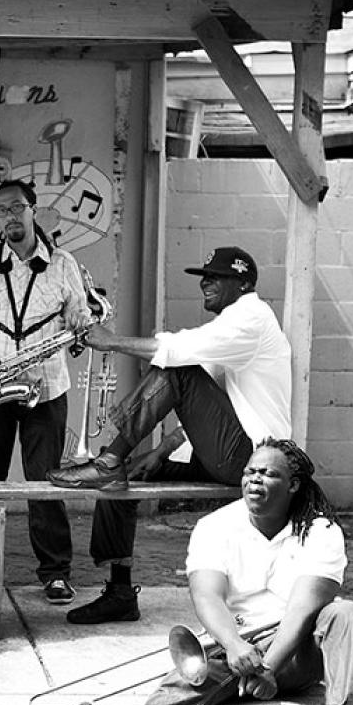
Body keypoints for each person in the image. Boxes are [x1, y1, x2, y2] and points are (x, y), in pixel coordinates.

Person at [74, 439, 353, 705]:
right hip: (238, 648)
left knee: (347, 612)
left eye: (268, 474)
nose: (254, 480)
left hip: (299, 651)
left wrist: (270, 665)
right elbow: (207, 595)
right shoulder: (215, 525)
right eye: (249, 472)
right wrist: (233, 644)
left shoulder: (321, 530)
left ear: (293, 484)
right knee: (197, 668)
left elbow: (304, 609)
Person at [48, 246, 291, 624]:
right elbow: (207, 405)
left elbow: (176, 356)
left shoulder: (251, 318)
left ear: (242, 283)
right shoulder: (232, 326)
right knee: (123, 478)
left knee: (176, 370)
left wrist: (111, 341)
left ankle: (108, 460)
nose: (205, 283)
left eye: (215, 277)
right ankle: (119, 591)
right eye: (203, 276)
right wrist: (161, 451)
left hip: (254, 460)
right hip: (226, 453)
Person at [0, 179, 90, 606]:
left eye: (16, 208)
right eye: (1, 210)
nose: (9, 216)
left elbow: (79, 322)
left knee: (46, 482)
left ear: (33, 208)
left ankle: (55, 573)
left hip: (46, 387)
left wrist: (80, 333)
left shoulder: (64, 264)